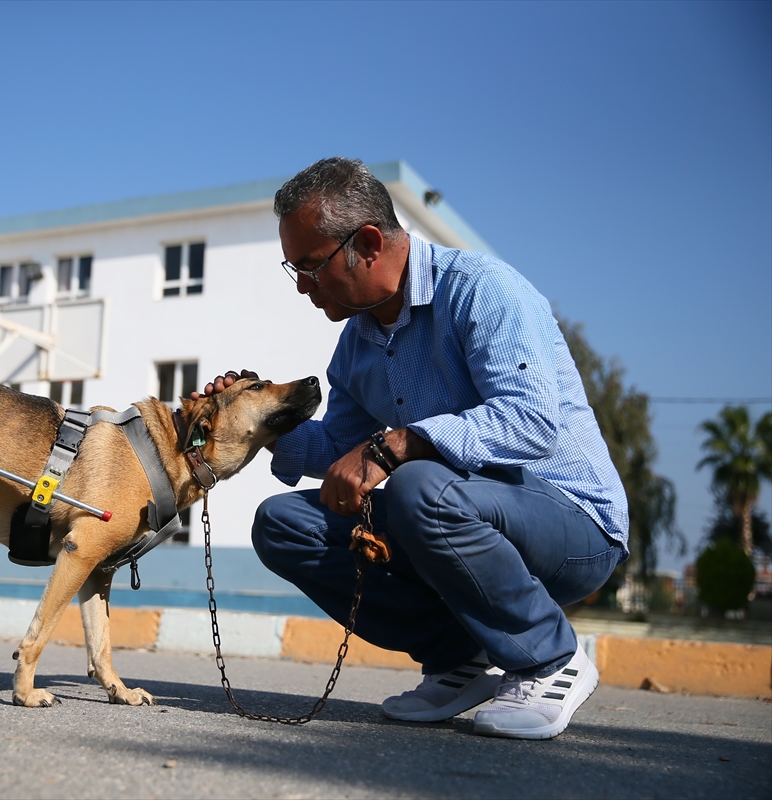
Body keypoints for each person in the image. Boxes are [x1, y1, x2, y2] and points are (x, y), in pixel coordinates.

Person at [197, 157, 628, 740]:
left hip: (571, 525)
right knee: (282, 524)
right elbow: (339, 451)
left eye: (310, 266)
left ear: (369, 243)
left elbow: (530, 422)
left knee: (416, 483)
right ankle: (459, 658)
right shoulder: (357, 343)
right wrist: (257, 417)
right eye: (292, 269)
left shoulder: (482, 290)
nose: (302, 286)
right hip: (450, 516)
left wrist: (398, 444)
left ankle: (551, 659)